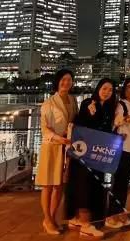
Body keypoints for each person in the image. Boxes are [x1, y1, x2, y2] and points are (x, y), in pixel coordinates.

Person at [66, 78, 116, 238]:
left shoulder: (108, 108)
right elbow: (82, 122)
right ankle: (86, 225)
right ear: (98, 88)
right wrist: (90, 113)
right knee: (84, 186)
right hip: (84, 152)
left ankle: (77, 219)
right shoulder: (89, 102)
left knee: (92, 185)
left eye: (110, 90)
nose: (107, 92)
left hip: (97, 154)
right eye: (104, 88)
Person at [35, 69, 78, 236]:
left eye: (69, 80)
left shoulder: (72, 100)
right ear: (58, 82)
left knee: (59, 185)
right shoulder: (49, 103)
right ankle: (46, 218)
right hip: (52, 145)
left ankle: (52, 218)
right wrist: (59, 138)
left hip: (66, 146)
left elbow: (75, 120)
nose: (66, 83)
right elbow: (44, 128)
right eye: (63, 79)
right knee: (48, 185)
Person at [105, 77, 130, 229]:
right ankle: (111, 216)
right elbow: (116, 121)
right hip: (122, 149)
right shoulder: (121, 104)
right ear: (124, 89)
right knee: (119, 183)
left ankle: (120, 212)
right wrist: (125, 119)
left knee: (123, 183)